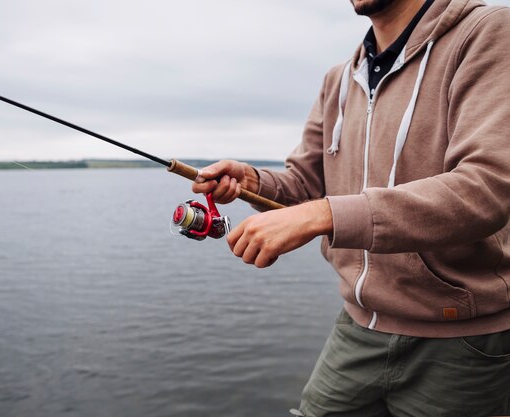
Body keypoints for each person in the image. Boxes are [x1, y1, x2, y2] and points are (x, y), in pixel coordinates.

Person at [192, 0, 510, 415]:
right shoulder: (339, 79)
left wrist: (323, 214)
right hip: (359, 326)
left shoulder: (488, 31)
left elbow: (486, 189)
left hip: (462, 338)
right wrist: (255, 182)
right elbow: (306, 184)